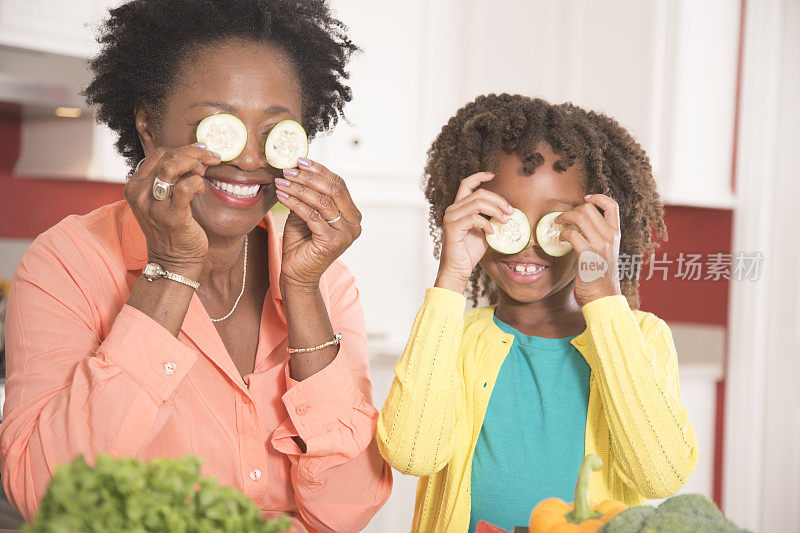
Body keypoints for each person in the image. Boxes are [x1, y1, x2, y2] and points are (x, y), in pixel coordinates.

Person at [0, 1, 391, 530]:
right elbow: (44, 494)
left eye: (274, 132)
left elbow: (349, 510)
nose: (250, 160)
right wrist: (173, 267)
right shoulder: (67, 264)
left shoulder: (327, 282)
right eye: (219, 127)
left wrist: (301, 291)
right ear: (148, 125)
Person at [377, 94, 698, 532]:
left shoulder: (641, 336)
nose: (527, 242)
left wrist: (604, 295)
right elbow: (412, 454)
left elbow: (660, 475)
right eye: (503, 216)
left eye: (557, 223)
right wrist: (450, 277)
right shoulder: (452, 335)